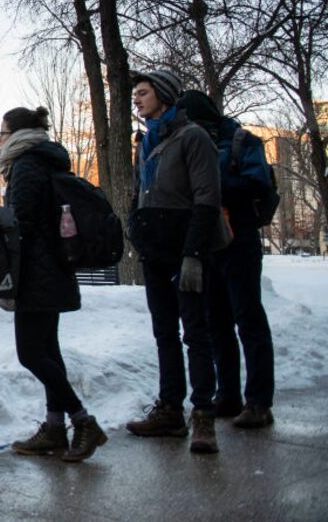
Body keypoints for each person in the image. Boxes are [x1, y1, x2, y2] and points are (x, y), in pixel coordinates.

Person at [125, 69, 228, 454]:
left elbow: (206, 199)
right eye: (135, 94)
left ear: (164, 95)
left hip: (187, 249)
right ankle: (170, 408)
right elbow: (140, 191)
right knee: (164, 331)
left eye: (143, 92)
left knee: (195, 332)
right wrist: (135, 224)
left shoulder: (193, 137)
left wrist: (194, 255)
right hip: (155, 251)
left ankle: (203, 415)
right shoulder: (146, 140)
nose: (136, 98)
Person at [0, 107, 107, 462]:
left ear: (16, 133)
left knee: (30, 353)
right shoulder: (46, 159)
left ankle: (82, 420)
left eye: (2, 132)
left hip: (35, 274)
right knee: (48, 351)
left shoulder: (27, 165)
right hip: (53, 270)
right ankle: (55, 426)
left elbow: (22, 222)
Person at [177, 90, 275, 429]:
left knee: (248, 319)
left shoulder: (241, 141)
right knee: (215, 322)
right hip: (206, 243)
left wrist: (209, 187)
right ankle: (228, 396)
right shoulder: (188, 144)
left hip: (239, 238)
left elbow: (257, 183)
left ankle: (259, 402)